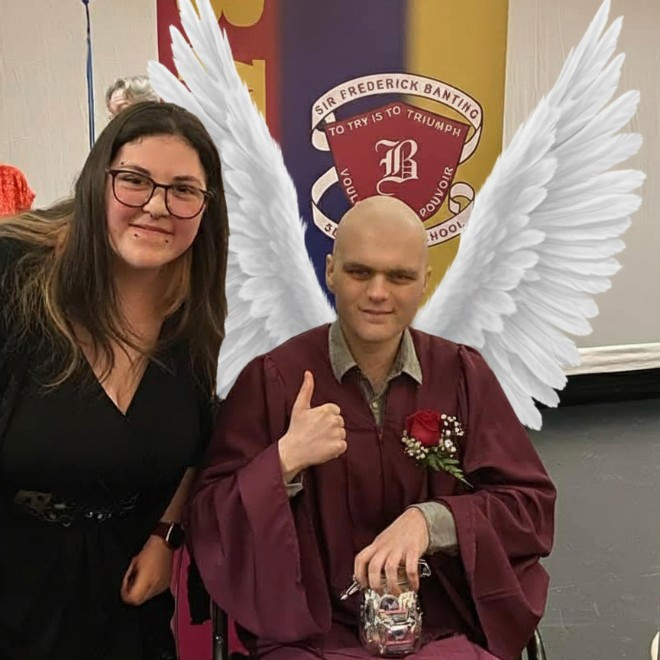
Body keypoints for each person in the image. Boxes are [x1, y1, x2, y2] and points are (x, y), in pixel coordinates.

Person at [188, 196, 556, 659]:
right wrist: (282, 463)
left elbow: (528, 507)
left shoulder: (461, 376)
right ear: (330, 271)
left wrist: (432, 521)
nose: (378, 293)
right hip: (313, 634)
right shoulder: (274, 380)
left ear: (424, 282)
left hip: (439, 629)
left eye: (399, 276)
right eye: (360, 272)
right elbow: (209, 519)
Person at [0, 101, 229, 660]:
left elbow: (196, 439)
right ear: (97, 182)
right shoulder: (14, 273)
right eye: (134, 180)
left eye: (183, 190)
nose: (156, 206)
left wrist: (165, 535)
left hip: (124, 594)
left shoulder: (194, 310)